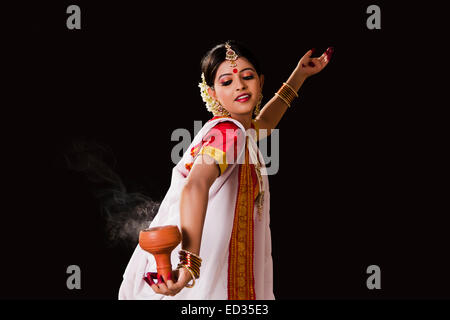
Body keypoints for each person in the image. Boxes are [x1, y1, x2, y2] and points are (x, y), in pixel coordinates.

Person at [118, 41, 333, 300]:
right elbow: (195, 186)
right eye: (226, 82)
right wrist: (189, 263)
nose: (240, 85)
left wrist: (299, 75)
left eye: (247, 76)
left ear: (261, 82)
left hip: (217, 264)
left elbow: (264, 124)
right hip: (203, 268)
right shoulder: (228, 133)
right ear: (212, 93)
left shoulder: (240, 133)